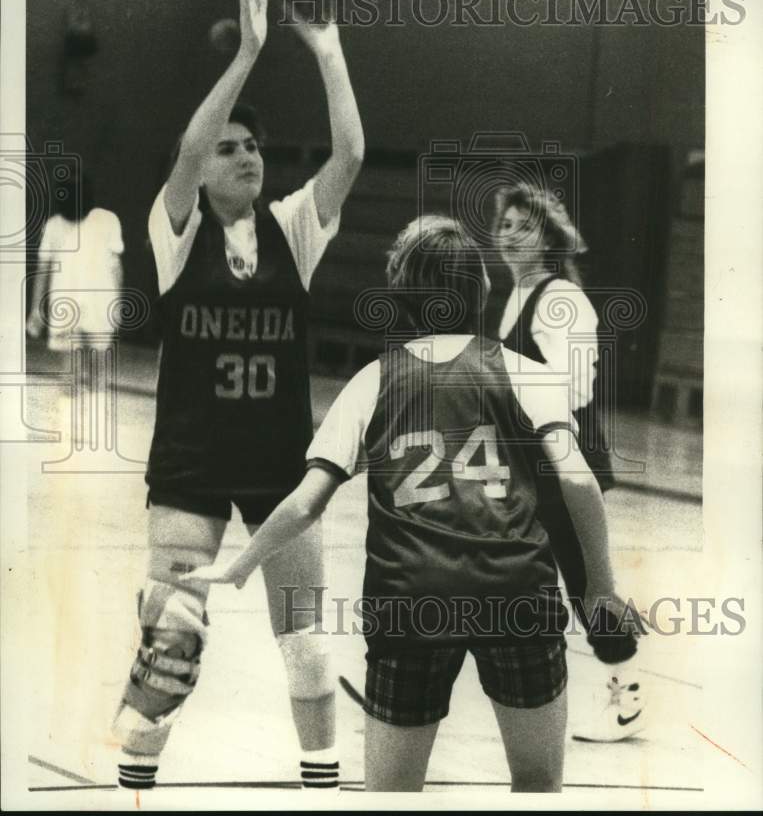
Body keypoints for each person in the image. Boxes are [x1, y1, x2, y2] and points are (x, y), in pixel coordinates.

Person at [186, 215, 642, 792]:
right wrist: (599, 587)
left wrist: (241, 563)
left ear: (399, 294)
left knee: (392, 795)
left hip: (409, 603)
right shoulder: (526, 374)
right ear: (481, 287)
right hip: (516, 596)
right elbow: (578, 482)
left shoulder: (371, 382)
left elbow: (304, 505)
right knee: (536, 786)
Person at [111, 0, 364, 790]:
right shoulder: (175, 230)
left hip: (279, 465)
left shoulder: (293, 228)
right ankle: (135, 777)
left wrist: (326, 49)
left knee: (307, 643)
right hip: (190, 463)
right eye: (230, 148)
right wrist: (249, 52)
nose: (246, 155)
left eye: (252, 145)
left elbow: (351, 154)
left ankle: (321, 781)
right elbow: (188, 149)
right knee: (172, 634)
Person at [491, 181, 645, 742]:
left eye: (524, 227)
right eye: (505, 226)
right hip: (529, 460)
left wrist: (505, 391)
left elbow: (575, 385)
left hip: (563, 457)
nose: (510, 235)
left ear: (549, 239)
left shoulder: (561, 298)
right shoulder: (517, 294)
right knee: (508, 575)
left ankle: (627, 698)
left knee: (586, 585)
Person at [27, 172, 124, 353]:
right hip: (66, 307)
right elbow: (43, 270)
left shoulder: (107, 221)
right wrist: (36, 309)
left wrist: (117, 304)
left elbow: (115, 267)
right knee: (72, 366)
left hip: (98, 305)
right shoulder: (53, 226)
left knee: (98, 365)